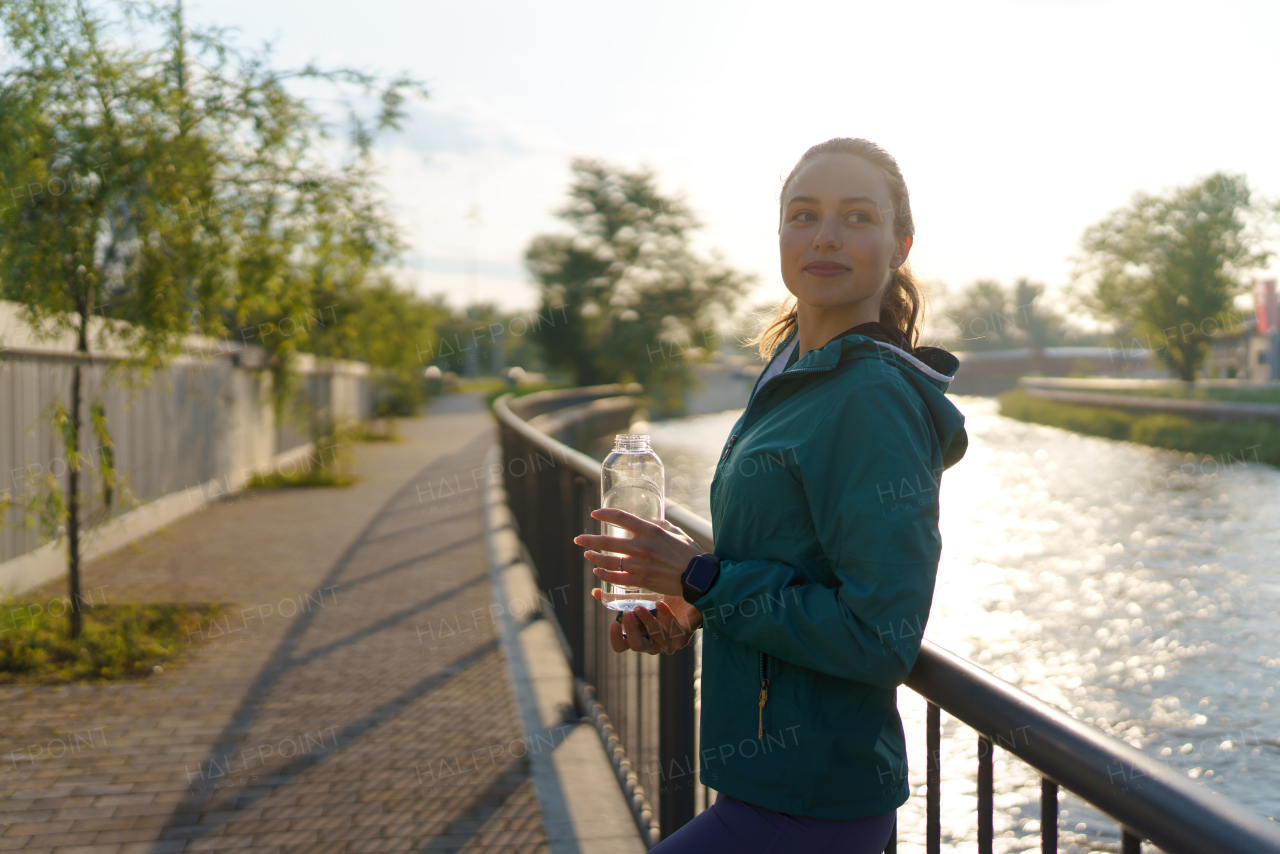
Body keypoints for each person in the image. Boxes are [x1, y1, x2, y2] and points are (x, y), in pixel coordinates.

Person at [573, 137, 969, 853]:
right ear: (780, 235)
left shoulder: (873, 397)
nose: (824, 236)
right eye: (803, 215)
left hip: (812, 807)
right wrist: (690, 606)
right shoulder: (791, 374)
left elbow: (879, 636)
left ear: (899, 245)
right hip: (758, 786)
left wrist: (704, 574)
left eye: (856, 217)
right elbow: (788, 564)